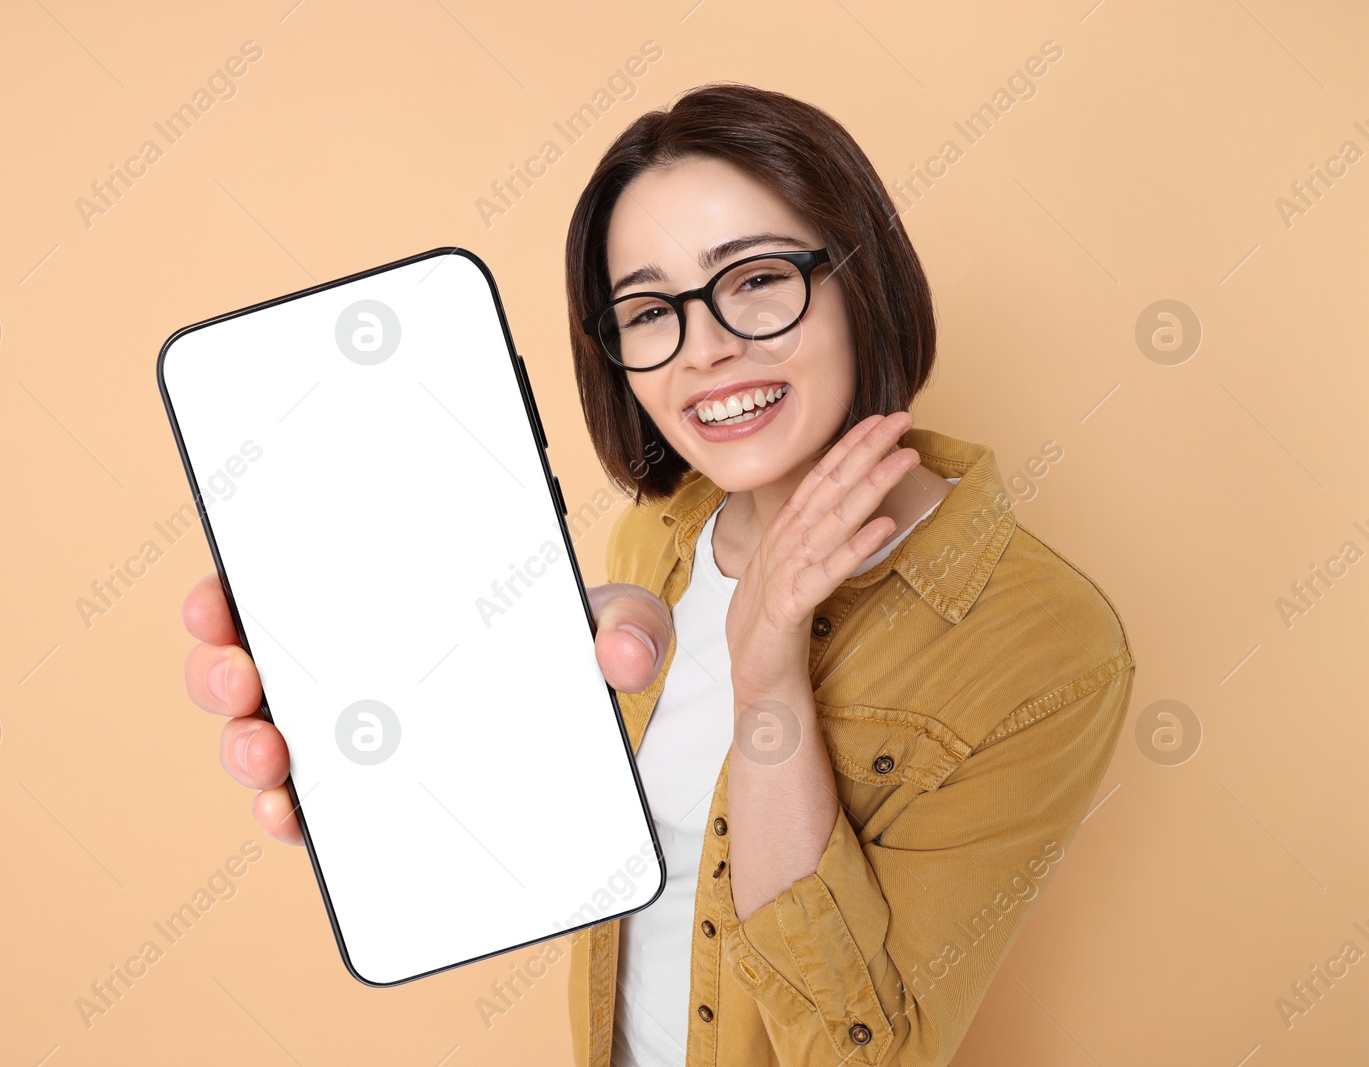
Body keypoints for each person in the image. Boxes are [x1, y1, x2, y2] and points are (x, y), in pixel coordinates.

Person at [179, 82, 1136, 1067]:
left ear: (864, 279)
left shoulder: (1040, 640)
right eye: (646, 310)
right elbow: (618, 864)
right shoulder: (657, 540)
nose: (706, 351)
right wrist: (399, 754)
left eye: (757, 278)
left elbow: (861, 1053)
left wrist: (769, 677)